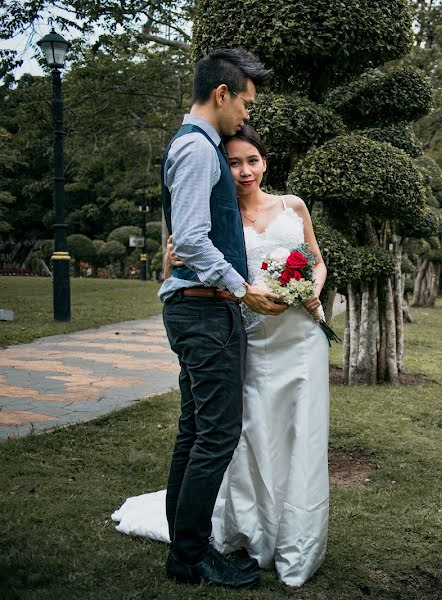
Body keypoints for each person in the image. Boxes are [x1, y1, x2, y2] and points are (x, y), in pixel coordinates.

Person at [113, 124, 331, 588]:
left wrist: (309, 291)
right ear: (221, 169)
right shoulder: (216, 214)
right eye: (233, 163)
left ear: (266, 162)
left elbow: (315, 258)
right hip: (247, 333)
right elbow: (182, 259)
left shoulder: (293, 206)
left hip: (299, 333)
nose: (244, 170)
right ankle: (248, 529)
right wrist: (172, 255)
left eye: (252, 160)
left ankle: (297, 530)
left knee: (301, 431)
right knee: (245, 434)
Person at [155, 47, 284, 590]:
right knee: (215, 435)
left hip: (202, 310)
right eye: (246, 103)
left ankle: (186, 549)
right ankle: (190, 558)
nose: (247, 116)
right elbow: (188, 238)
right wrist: (242, 288)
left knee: (196, 432)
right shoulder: (198, 151)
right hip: (205, 311)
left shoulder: (203, 148)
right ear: (222, 94)